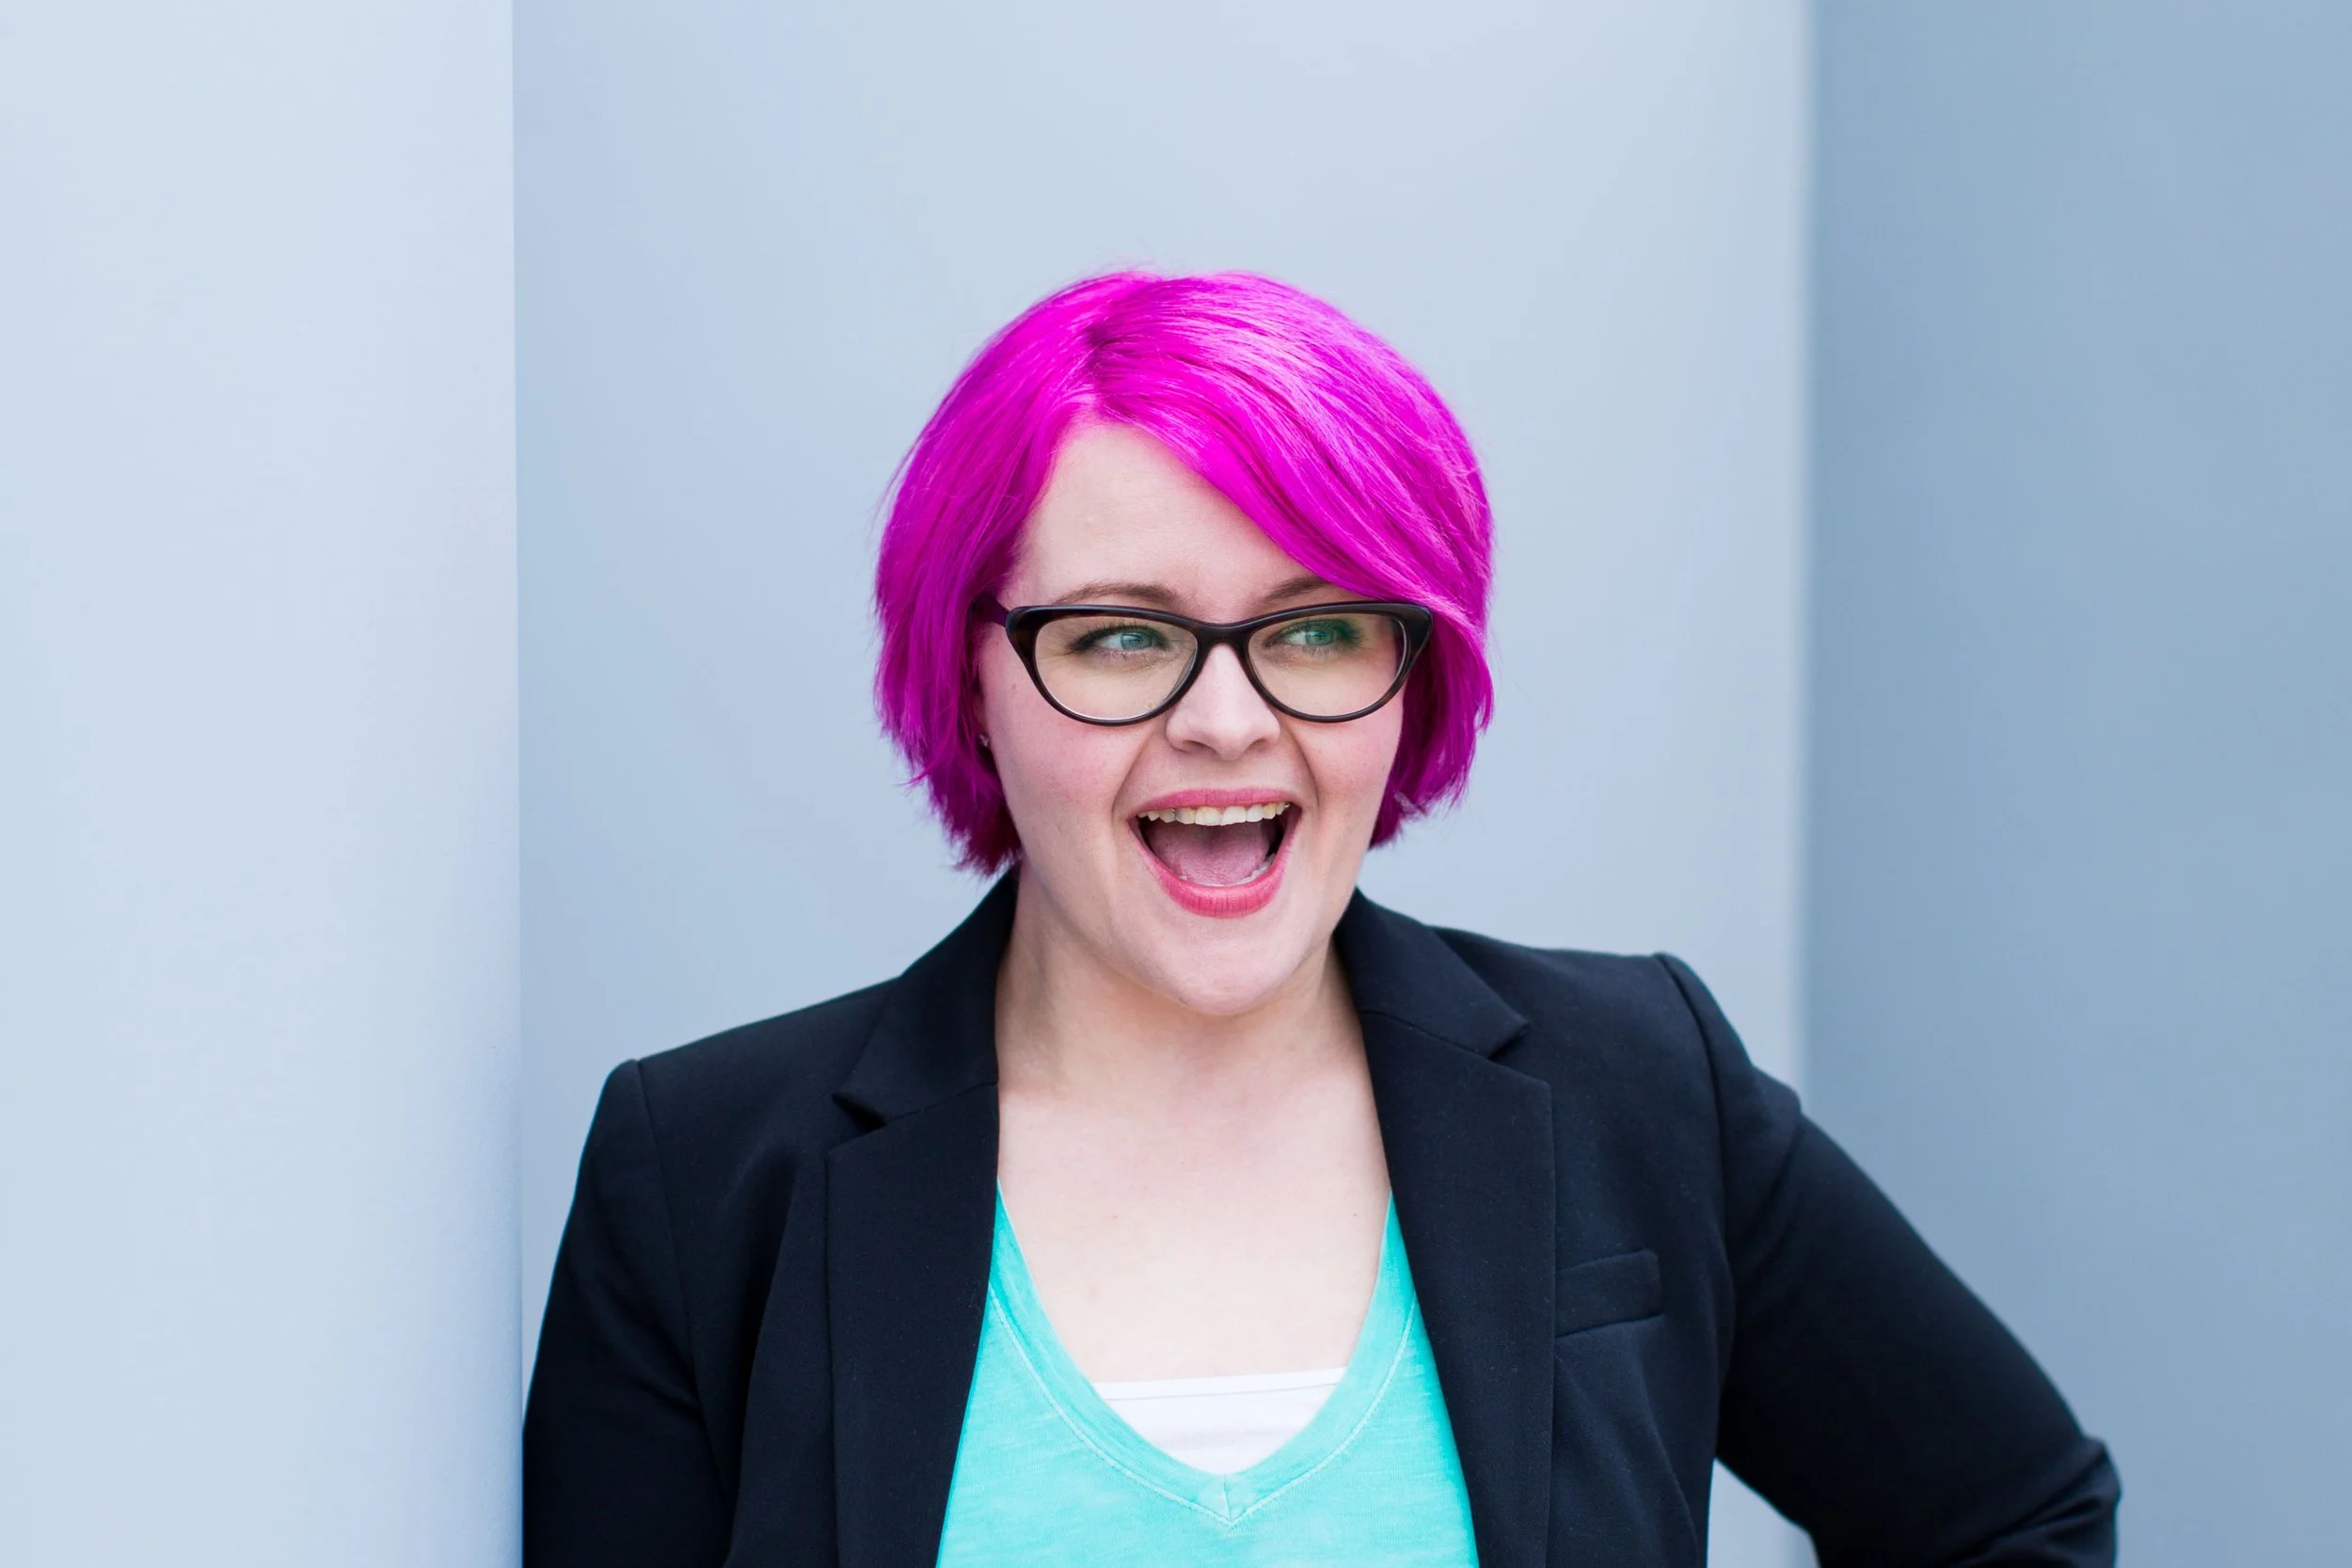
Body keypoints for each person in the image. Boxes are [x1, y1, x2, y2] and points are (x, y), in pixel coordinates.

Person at [523, 272, 2119, 1567]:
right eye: (1123, 637)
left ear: (1412, 675)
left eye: (1320, 629)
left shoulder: (1643, 1086)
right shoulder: (705, 1169)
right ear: (972, 676)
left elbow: (2018, 1519)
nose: (1228, 723)